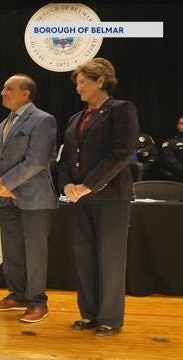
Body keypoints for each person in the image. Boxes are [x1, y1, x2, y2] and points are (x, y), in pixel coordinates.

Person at [58, 57, 139, 336]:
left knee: (110, 258)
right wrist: (68, 184)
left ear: (100, 81)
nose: (78, 88)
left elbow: (121, 153)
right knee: (84, 256)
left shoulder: (121, 109)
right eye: (77, 83)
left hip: (111, 196)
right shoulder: (75, 118)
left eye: (83, 82)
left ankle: (110, 318)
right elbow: (65, 157)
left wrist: (89, 184)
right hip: (80, 197)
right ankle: (89, 314)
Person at [0, 74, 57, 323]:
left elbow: (36, 161)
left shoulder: (43, 120)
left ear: (25, 94)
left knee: (35, 253)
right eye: (4, 88)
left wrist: (6, 183)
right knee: (13, 251)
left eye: (9, 88)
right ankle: (17, 296)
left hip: (35, 199)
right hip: (8, 199)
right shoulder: (1, 125)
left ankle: (38, 302)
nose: (3, 92)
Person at [160, 116, 183, 182]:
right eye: (182, 123)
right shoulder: (170, 143)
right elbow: (172, 163)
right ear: (177, 126)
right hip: (178, 180)